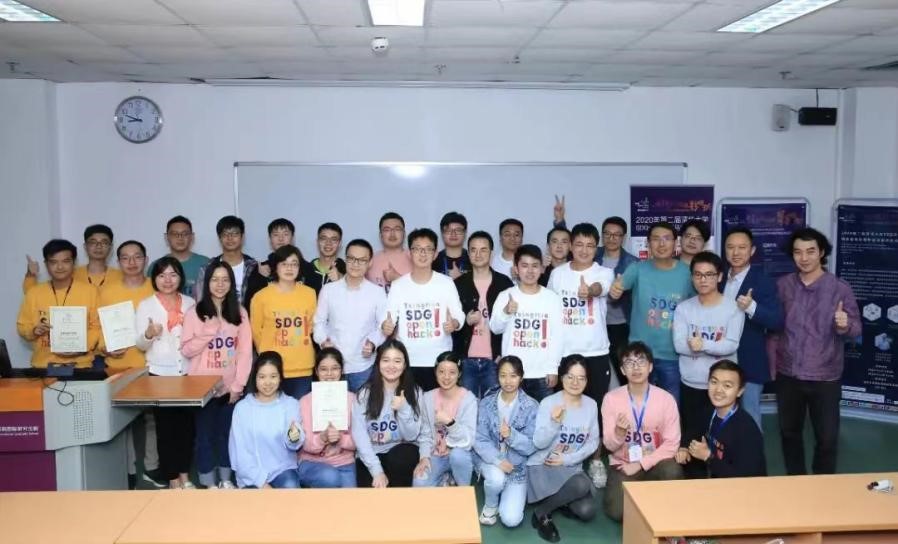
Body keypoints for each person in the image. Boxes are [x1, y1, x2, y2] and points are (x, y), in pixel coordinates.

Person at [772, 227, 860, 475]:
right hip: (788, 373)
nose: (804, 258)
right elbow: (774, 324)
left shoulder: (840, 288)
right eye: (798, 252)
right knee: (789, 433)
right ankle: (796, 481)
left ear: (821, 253)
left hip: (825, 377)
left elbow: (856, 329)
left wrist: (844, 324)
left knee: (827, 439)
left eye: (810, 251)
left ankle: (823, 486)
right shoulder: (783, 285)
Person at [547, 222, 615, 488]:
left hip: (595, 352)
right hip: (564, 352)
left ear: (596, 248)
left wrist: (590, 290)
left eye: (590, 246)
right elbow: (549, 310)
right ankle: (562, 459)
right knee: (563, 410)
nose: (584, 250)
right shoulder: (558, 274)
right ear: (570, 246)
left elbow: (601, 287)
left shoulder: (604, 272)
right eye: (579, 244)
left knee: (594, 409)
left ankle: (596, 460)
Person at [181, 261, 253, 489]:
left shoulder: (240, 312)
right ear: (207, 282)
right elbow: (187, 350)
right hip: (202, 389)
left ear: (232, 283)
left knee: (226, 435)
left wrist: (238, 386)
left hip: (229, 389)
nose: (220, 284)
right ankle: (208, 482)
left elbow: (245, 352)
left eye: (225, 280)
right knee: (204, 437)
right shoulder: (194, 313)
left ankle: (225, 479)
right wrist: (209, 331)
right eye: (215, 279)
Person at [673, 251, 744, 477]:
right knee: (692, 440)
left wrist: (701, 344)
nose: (703, 280)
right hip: (692, 385)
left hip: (723, 388)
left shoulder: (733, 308)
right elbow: (679, 345)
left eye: (709, 275)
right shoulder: (684, 308)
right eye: (698, 274)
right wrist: (711, 347)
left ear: (720, 277)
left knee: (725, 442)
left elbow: (731, 345)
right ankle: (695, 485)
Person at [97, 240, 161, 488]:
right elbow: (97, 325)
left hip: (151, 363)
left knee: (152, 419)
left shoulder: (156, 286)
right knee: (122, 420)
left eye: (137, 257)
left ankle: (152, 467)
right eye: (125, 258)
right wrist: (104, 346)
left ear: (146, 259)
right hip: (119, 364)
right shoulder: (107, 291)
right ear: (118, 261)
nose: (132, 262)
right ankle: (129, 470)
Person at [609, 221, 694, 403]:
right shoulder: (637, 269)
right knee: (638, 406)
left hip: (672, 355)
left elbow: (697, 307)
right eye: (655, 239)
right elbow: (617, 288)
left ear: (675, 243)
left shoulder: (688, 274)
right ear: (648, 244)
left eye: (667, 239)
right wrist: (615, 290)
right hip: (640, 354)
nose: (661, 244)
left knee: (670, 407)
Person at [601, 342, 683, 522]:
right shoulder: (611, 399)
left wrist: (641, 464)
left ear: (651, 366)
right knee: (616, 512)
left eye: (641, 361)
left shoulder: (666, 399)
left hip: (656, 462)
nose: (636, 367)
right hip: (623, 463)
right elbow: (609, 445)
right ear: (622, 370)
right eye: (629, 363)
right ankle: (649, 502)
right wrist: (619, 433)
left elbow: (672, 444)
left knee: (672, 470)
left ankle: (657, 506)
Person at [135, 257, 196, 489]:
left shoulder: (190, 303)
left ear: (180, 277)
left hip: (187, 373)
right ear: (154, 279)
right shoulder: (146, 306)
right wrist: (149, 334)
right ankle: (172, 478)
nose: (167, 280)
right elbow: (140, 345)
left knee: (187, 429)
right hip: (160, 374)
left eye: (173, 274)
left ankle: (185, 475)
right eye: (161, 275)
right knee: (166, 430)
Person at [527, 355, 600, 543]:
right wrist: (554, 423)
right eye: (570, 377)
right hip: (545, 465)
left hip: (570, 466)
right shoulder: (549, 403)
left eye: (581, 378)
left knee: (587, 511)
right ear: (561, 378)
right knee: (581, 485)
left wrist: (568, 459)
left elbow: (593, 442)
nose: (575, 382)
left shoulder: (591, 405)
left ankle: (556, 501)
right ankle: (541, 513)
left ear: (587, 380)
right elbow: (539, 443)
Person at [380, 228, 463, 391]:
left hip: (439, 361)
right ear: (410, 253)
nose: (423, 254)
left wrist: (454, 323)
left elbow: (459, 315)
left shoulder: (446, 283)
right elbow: (387, 317)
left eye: (428, 249)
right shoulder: (398, 285)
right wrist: (385, 325)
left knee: (437, 406)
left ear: (435, 253)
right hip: (408, 360)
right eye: (417, 249)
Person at [720, 226, 784, 428]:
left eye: (742, 247)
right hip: (718, 359)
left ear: (752, 250)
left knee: (750, 417)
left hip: (749, 360)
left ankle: (753, 449)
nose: (736, 252)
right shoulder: (717, 278)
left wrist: (752, 307)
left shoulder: (763, 281)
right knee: (720, 414)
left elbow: (777, 321)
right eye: (730, 247)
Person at [490, 245, 564, 402]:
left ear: (542, 268)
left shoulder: (552, 298)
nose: (530, 271)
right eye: (524, 266)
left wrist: (553, 368)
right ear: (516, 269)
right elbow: (495, 328)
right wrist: (506, 312)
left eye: (535, 266)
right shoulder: (505, 295)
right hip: (513, 374)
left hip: (542, 374)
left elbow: (558, 336)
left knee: (544, 416)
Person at [313, 239, 387, 392]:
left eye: (362, 260)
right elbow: (318, 322)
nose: (355, 264)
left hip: (363, 366)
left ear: (370, 263)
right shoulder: (328, 290)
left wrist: (373, 343)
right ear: (345, 259)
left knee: (362, 406)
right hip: (333, 366)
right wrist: (323, 341)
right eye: (351, 258)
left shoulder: (377, 292)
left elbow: (382, 325)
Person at [474, 355, 538, 528]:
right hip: (491, 460)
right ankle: (491, 504)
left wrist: (511, 435)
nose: (508, 381)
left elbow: (532, 445)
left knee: (511, 520)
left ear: (521, 377)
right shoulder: (486, 403)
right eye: (503, 375)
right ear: (497, 377)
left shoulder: (532, 406)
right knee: (496, 478)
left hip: (516, 468)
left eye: (513, 376)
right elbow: (479, 439)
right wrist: (498, 460)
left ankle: (505, 491)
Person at [351, 339, 425, 488]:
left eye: (397, 361)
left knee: (403, 457)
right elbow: (359, 435)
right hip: (372, 455)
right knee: (371, 495)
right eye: (386, 360)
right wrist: (377, 471)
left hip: (400, 453)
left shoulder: (415, 392)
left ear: (404, 365)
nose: (391, 366)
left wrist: (403, 409)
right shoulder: (364, 394)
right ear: (378, 363)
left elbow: (411, 436)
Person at [16, 239, 100, 369]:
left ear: (74, 263)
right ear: (46, 264)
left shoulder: (90, 291)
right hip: (43, 365)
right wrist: (34, 330)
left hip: (80, 365)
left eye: (66, 261)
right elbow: (22, 326)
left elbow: (96, 327)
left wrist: (82, 347)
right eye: (53, 262)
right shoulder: (34, 293)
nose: (60, 267)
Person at [676, 360, 766, 478]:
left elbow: (745, 477)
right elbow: (693, 430)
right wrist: (684, 447)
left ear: (740, 391)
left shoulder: (747, 429)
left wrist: (708, 457)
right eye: (714, 382)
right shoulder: (709, 411)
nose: (718, 390)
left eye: (727, 385)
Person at [250, 245, 317, 400]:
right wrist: (267, 356)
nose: (289, 268)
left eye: (294, 264)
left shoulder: (309, 294)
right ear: (276, 267)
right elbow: (256, 331)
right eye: (284, 264)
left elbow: (312, 326)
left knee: (299, 413)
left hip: (302, 366)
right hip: (272, 369)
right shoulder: (261, 297)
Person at [229, 351, 304, 489]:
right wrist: (262, 483)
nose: (268, 382)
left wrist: (294, 437)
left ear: (280, 377)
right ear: (255, 378)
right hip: (250, 475)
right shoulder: (242, 408)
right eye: (262, 377)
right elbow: (239, 454)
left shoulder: (291, 404)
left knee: (290, 486)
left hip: (282, 470)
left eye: (273, 376)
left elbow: (294, 443)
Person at [453, 231, 513, 398]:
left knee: (494, 407)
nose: (478, 254)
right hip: (466, 360)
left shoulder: (504, 283)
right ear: (468, 253)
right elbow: (450, 322)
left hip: (495, 360)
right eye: (473, 250)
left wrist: (503, 354)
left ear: (491, 253)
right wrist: (465, 321)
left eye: (483, 250)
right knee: (466, 408)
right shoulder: (458, 284)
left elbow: (511, 322)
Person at [413, 352, 477, 487]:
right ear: (435, 373)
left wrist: (449, 422)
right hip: (436, 454)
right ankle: (445, 478)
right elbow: (424, 434)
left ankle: (462, 488)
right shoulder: (427, 397)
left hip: (460, 453)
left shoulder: (468, 399)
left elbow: (468, 440)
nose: (446, 377)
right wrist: (424, 457)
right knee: (419, 483)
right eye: (441, 372)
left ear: (459, 374)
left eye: (452, 372)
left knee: (458, 455)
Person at [297, 348, 357, 488]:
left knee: (350, 499)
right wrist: (322, 438)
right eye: (323, 369)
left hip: (344, 462)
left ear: (342, 370)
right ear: (316, 372)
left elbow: (359, 440)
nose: (329, 374)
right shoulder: (305, 401)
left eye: (335, 368)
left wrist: (340, 438)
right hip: (312, 462)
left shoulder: (353, 400)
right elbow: (302, 443)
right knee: (330, 477)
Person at [596, 217, 639, 385]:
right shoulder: (593, 255)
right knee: (595, 373)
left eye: (616, 235)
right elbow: (571, 247)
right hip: (595, 324)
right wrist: (560, 223)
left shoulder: (632, 263)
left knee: (624, 371)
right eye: (607, 234)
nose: (611, 238)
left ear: (624, 237)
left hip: (620, 325)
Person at [244, 218, 317, 308]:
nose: (281, 238)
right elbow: (251, 303)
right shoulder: (261, 268)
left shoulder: (306, 267)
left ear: (292, 238)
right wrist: (260, 278)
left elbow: (316, 301)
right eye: (276, 235)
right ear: (270, 239)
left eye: (285, 234)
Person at [194, 216, 258, 307]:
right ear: (219, 238)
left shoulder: (254, 267)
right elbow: (200, 301)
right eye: (225, 234)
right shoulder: (207, 268)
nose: (230, 238)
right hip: (214, 315)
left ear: (242, 237)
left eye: (234, 234)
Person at [148, 215, 209, 297]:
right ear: (166, 237)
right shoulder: (156, 266)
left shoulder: (206, 263)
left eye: (185, 234)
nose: (180, 238)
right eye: (174, 234)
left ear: (192, 237)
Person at [367, 212, 412, 292]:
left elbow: (422, 292)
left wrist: (398, 278)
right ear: (380, 235)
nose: (392, 234)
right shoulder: (369, 260)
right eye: (387, 230)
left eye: (397, 229)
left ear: (404, 234)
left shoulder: (415, 257)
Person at [308, 222, 346, 295]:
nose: (328, 243)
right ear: (317, 241)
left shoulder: (349, 270)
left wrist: (341, 280)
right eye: (323, 239)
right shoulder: (306, 269)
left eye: (334, 239)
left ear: (340, 243)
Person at [433, 211, 469, 279]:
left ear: (465, 232)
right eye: (448, 230)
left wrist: (461, 279)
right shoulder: (433, 260)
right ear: (442, 233)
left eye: (458, 230)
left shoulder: (473, 259)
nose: (453, 234)